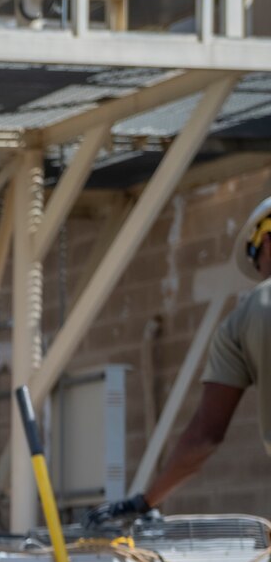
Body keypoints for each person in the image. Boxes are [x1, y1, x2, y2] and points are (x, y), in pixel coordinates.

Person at [90, 195, 271, 526]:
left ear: (265, 242)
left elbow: (205, 436)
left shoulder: (248, 314)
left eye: (254, 256)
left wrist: (144, 502)